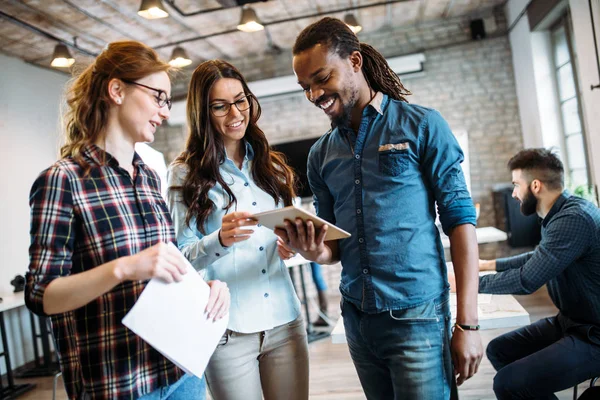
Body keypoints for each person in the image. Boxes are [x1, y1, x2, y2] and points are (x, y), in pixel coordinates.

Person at [277, 17, 484, 399]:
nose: (314, 94)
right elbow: (333, 248)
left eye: (322, 78)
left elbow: (461, 222)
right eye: (305, 86)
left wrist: (468, 325)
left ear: (355, 62)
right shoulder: (320, 155)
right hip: (357, 321)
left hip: (416, 318)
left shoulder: (421, 125)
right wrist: (312, 249)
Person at [25, 41, 230, 400]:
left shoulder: (149, 177)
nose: (165, 112)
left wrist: (203, 289)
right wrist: (122, 268)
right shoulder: (63, 180)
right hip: (120, 386)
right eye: (158, 97)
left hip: (181, 372)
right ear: (117, 90)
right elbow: (41, 295)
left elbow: (164, 266)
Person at [166, 60, 309, 400]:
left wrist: (291, 244)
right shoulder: (184, 173)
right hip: (228, 332)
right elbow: (180, 260)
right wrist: (220, 240)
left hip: (285, 323)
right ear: (203, 112)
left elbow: (280, 238)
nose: (235, 112)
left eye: (241, 99)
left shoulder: (270, 166)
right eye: (220, 105)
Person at [477, 148, 600, 399]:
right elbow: (540, 258)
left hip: (594, 335)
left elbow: (527, 280)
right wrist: (487, 264)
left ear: (535, 185)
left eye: (515, 185)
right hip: (571, 321)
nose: (513, 193)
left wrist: (469, 284)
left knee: (508, 383)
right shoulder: (560, 213)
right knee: (499, 350)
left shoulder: (573, 219)